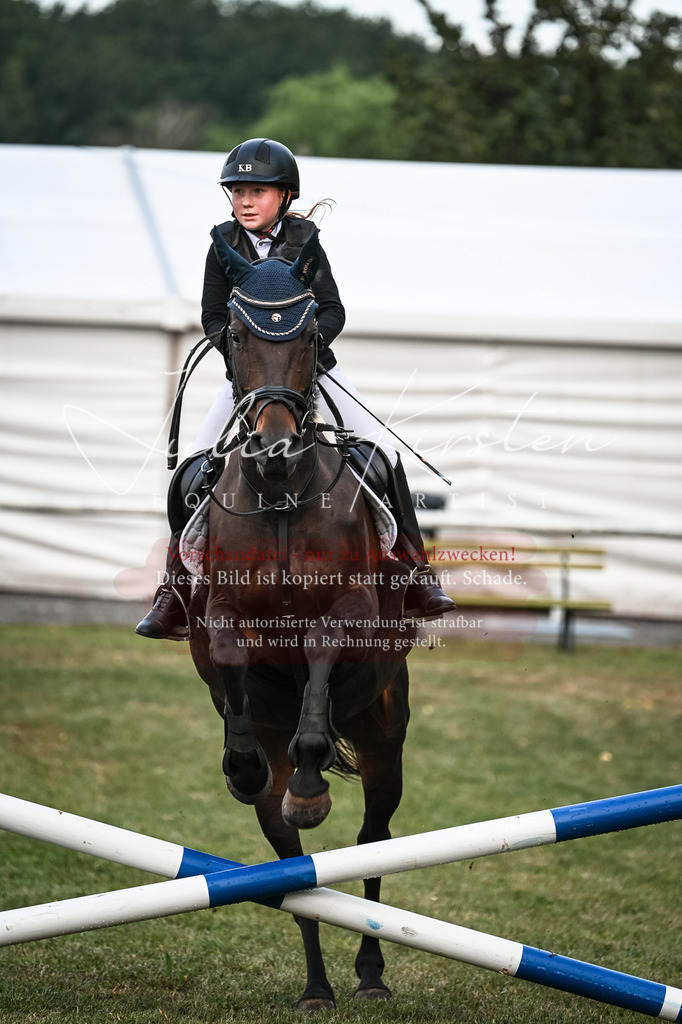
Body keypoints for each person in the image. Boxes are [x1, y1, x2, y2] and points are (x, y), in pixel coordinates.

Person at [135, 138, 454, 640]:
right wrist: (247, 356)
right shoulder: (221, 244)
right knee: (193, 470)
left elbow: (333, 310)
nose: (244, 200)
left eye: (256, 191)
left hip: (314, 372)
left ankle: (415, 574)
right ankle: (173, 589)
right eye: (237, 190)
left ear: (283, 196)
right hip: (249, 384)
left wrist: (301, 351)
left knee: (384, 457)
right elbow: (212, 317)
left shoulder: (307, 243)